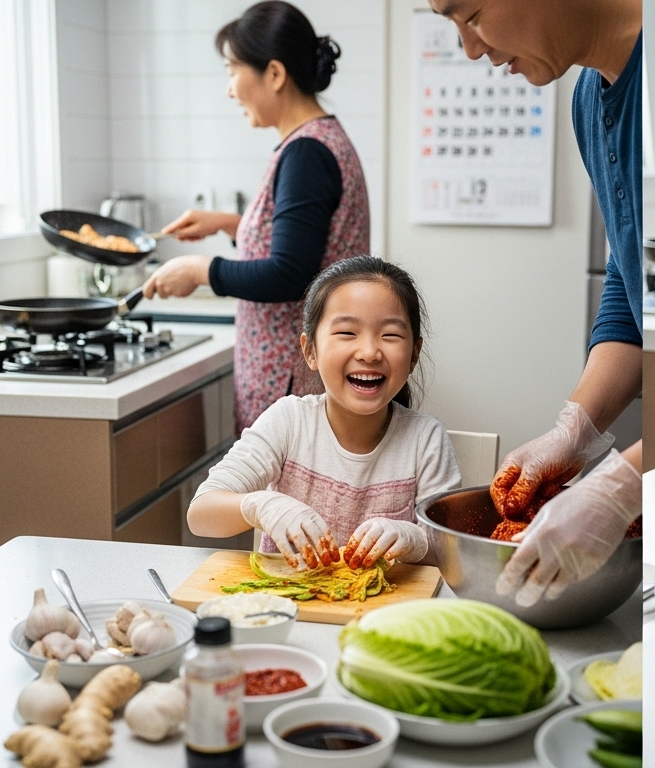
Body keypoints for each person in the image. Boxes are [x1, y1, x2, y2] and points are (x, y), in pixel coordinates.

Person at [428, 0, 643, 607]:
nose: (471, 49)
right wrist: (574, 427)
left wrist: (620, 488)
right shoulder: (587, 100)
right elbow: (631, 293)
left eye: (469, 16)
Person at [143, 0, 370, 435]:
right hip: (295, 380)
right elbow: (306, 243)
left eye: (232, 71)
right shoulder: (317, 140)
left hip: (293, 385)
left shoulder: (306, 152)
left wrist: (199, 270)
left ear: (274, 74)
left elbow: (289, 272)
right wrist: (231, 224)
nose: (229, 89)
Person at [187, 257, 461, 570]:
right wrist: (259, 505)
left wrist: (416, 540)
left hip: (385, 614)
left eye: (390, 335)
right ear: (311, 351)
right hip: (289, 609)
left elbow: (451, 553)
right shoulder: (288, 421)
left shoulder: (425, 440)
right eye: (347, 333)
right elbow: (201, 514)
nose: (369, 352)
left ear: (413, 354)